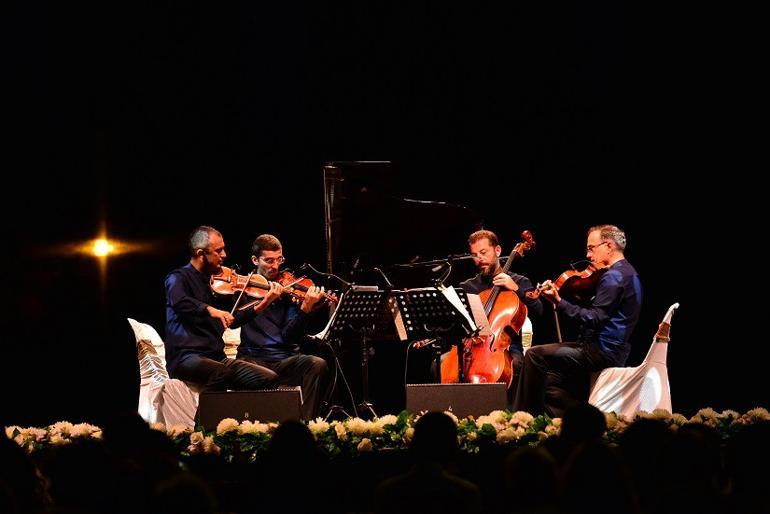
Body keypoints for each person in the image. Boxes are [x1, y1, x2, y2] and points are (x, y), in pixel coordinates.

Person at [515, 224, 642, 417]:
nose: (589, 255)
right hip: (616, 350)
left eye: (591, 248)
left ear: (608, 246)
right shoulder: (629, 273)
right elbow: (605, 311)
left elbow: (595, 318)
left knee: (534, 355)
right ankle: (573, 422)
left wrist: (559, 301)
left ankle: (522, 419)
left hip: (600, 352)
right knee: (552, 379)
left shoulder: (614, 277)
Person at [164, 225, 280, 392]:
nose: (224, 255)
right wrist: (211, 309)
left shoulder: (219, 283)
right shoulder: (178, 278)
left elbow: (233, 320)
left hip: (217, 358)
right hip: (186, 358)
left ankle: (245, 418)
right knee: (222, 373)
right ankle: (202, 419)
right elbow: (180, 301)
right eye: (218, 251)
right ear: (200, 254)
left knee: (269, 378)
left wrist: (264, 302)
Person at [236, 234, 330, 420]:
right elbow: (234, 319)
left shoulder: (289, 289)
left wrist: (304, 310)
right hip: (253, 358)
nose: (275, 266)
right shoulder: (244, 288)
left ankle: (305, 424)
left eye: (279, 260)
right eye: (269, 261)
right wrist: (266, 300)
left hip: (284, 359)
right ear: (255, 260)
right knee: (254, 372)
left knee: (317, 364)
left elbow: (289, 336)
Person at [454, 229, 543, 403]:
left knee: (516, 365)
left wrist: (516, 290)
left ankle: (511, 415)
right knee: (440, 364)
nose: (479, 259)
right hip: (470, 348)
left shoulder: (519, 282)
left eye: (483, 252)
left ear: (498, 251)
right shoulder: (468, 287)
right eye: (474, 255)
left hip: (506, 346)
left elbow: (539, 312)